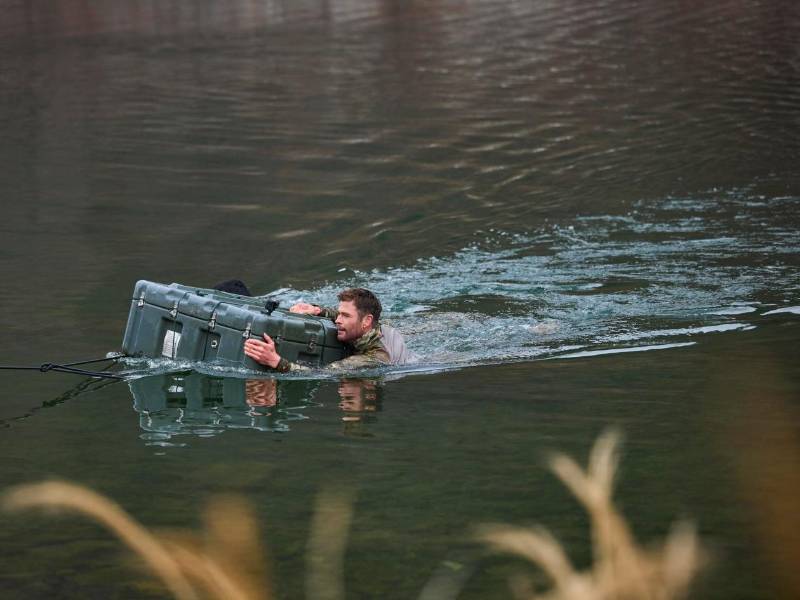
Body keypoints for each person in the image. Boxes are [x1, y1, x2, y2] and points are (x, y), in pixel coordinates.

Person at [243, 287, 415, 372]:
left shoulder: (374, 358)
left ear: (366, 321)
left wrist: (277, 362)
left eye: (345, 316)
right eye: (338, 314)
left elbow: (322, 373)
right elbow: (341, 315)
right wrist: (319, 311)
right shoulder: (368, 328)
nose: (338, 320)